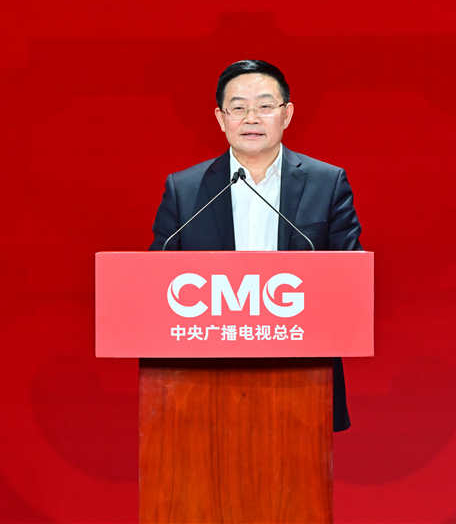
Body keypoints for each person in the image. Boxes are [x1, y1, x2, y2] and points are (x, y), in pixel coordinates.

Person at [149, 59, 362, 432]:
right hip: (206, 379)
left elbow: (350, 278)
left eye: (264, 106)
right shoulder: (184, 190)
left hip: (302, 375)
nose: (251, 118)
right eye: (238, 108)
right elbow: (155, 284)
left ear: (286, 114)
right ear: (221, 118)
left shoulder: (327, 183)